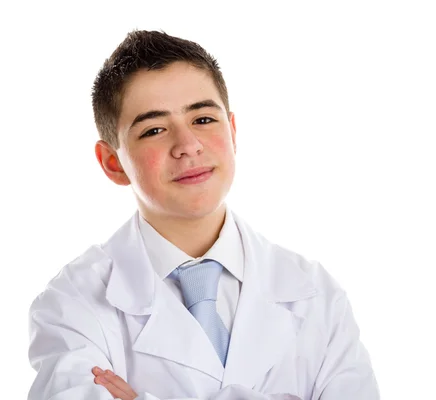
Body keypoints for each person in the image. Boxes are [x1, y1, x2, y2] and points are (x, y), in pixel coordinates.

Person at [27, 30, 379, 400]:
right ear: (113, 162)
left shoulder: (317, 295)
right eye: (155, 129)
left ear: (233, 131)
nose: (187, 145)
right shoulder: (72, 303)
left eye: (203, 120)